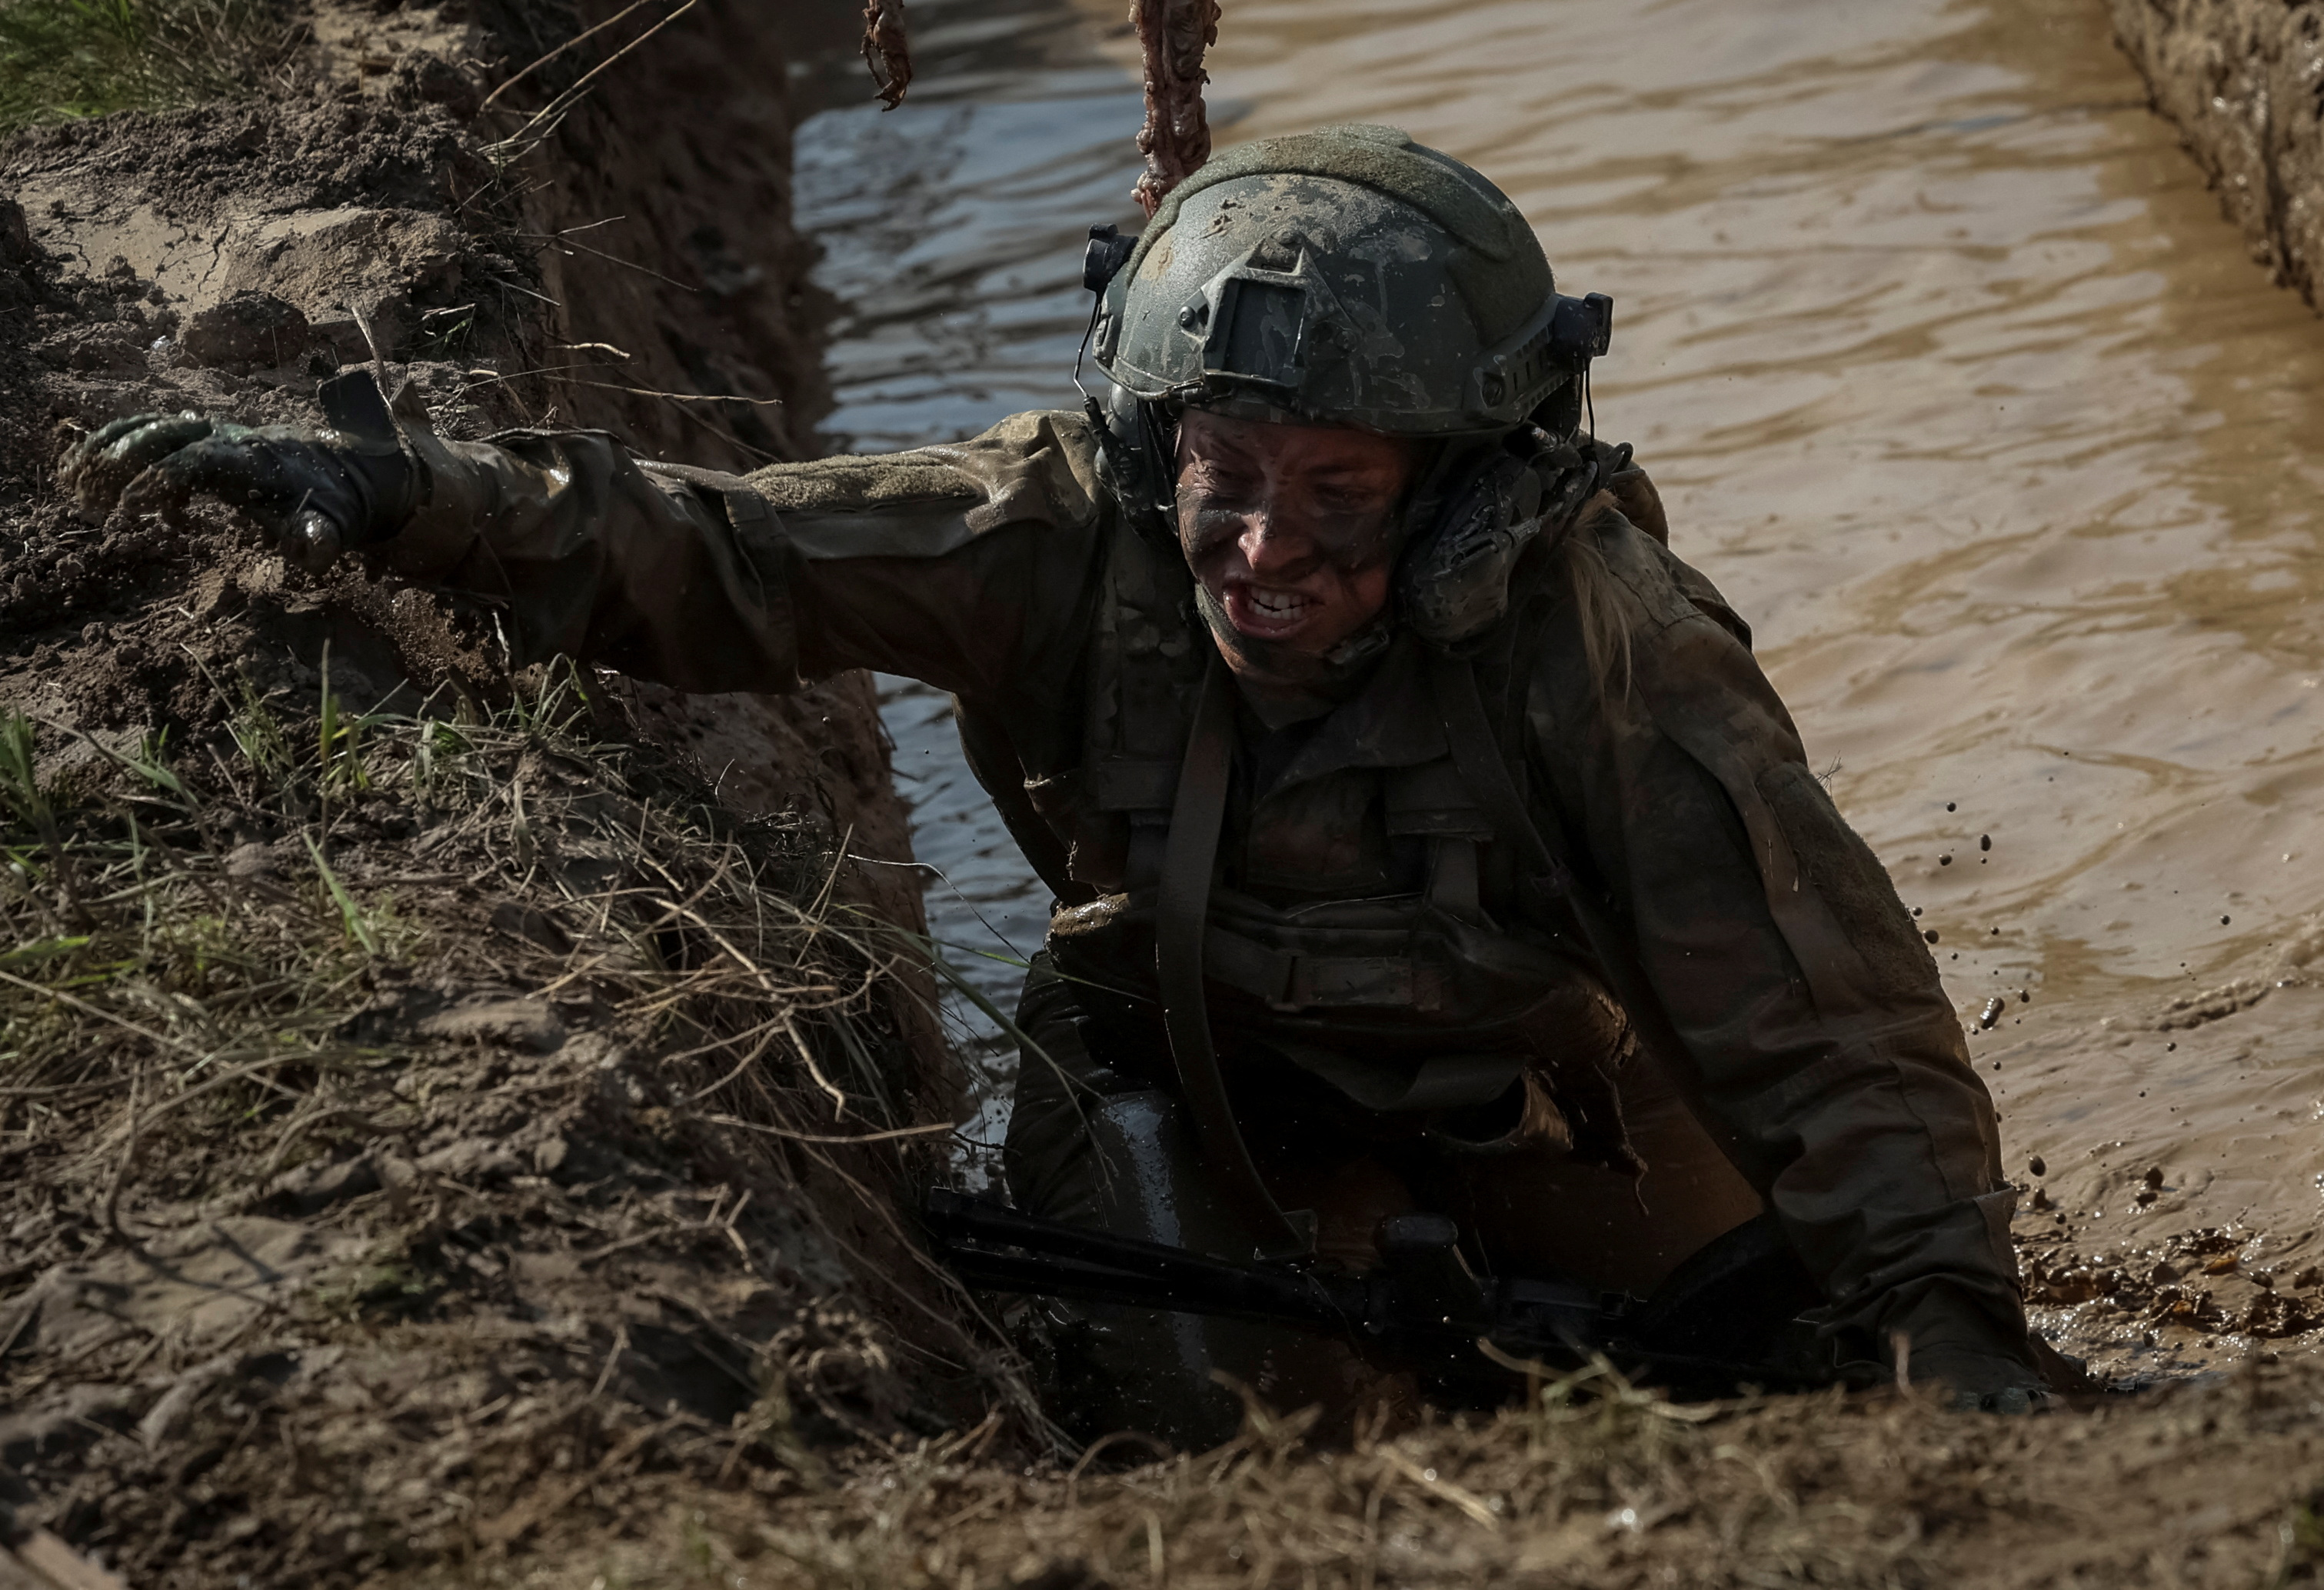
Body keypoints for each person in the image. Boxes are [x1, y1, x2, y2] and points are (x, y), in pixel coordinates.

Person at [62, 124, 2049, 1440]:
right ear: (1150, 445)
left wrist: (1948, 1305)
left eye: (1339, 494)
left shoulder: (1601, 640)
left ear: (1467, 491)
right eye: (1225, 482)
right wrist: (417, 500)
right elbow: (724, 552)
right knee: (1219, 1457)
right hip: (1183, 1073)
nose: (1263, 550)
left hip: (1549, 1094)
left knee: (1794, 1378)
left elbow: (1815, 1004)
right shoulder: (1051, 527)